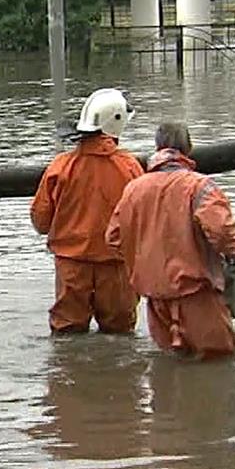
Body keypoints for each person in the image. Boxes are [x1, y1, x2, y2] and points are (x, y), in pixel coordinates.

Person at [106, 122, 235, 360]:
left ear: (158, 147)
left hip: (155, 298)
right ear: (188, 148)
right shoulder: (200, 186)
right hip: (197, 293)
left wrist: (143, 263)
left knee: (169, 362)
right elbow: (222, 231)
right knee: (218, 361)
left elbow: (114, 237)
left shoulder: (133, 189)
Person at [30, 88, 144, 334]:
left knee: (67, 335)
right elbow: (142, 220)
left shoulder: (61, 167)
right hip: (116, 266)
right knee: (121, 338)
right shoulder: (130, 168)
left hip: (72, 266)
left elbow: (40, 220)